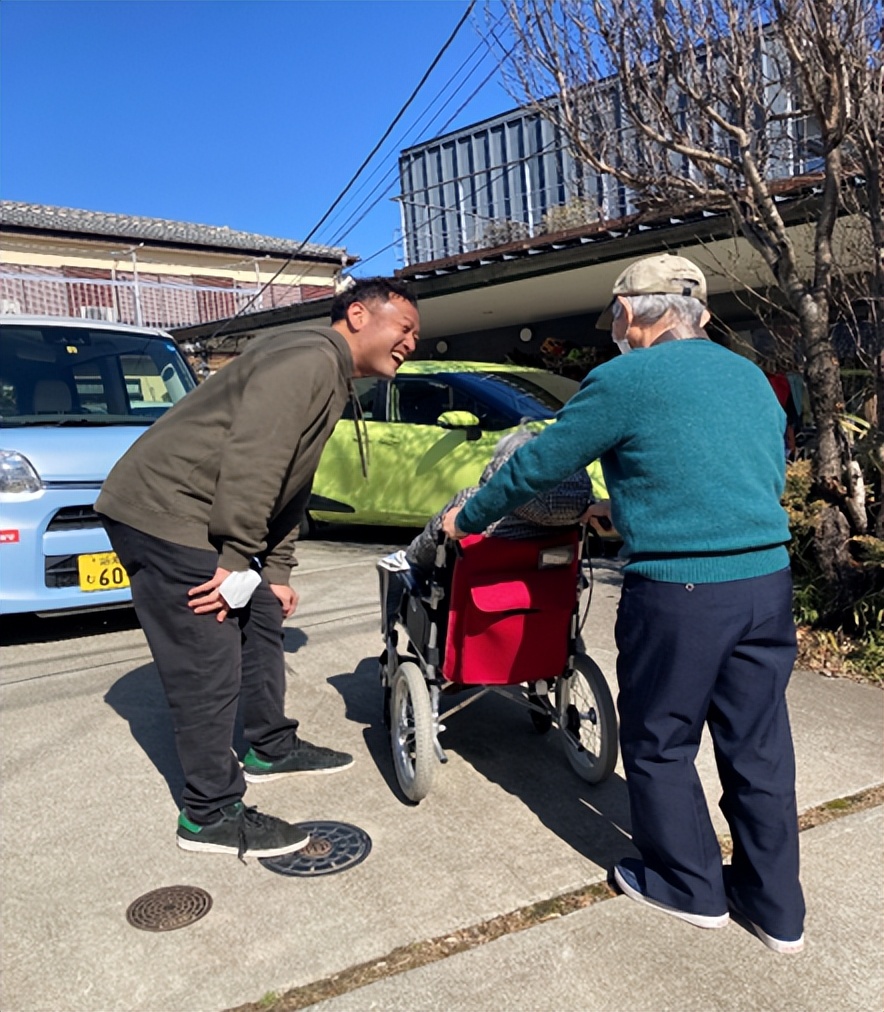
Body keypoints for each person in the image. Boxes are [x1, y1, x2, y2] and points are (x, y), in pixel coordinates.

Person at [442, 253, 805, 954]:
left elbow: (539, 466)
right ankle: (777, 910)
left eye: (614, 313)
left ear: (638, 310)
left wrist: (473, 515)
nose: (613, 327)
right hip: (766, 581)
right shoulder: (752, 379)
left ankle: (689, 886)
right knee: (758, 748)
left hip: (682, 593)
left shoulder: (623, 378)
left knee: (660, 741)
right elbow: (743, 471)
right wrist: (626, 508)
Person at [96, 277, 419, 859]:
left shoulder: (328, 372)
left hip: (201, 512)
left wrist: (275, 572)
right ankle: (210, 813)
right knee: (208, 657)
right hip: (169, 513)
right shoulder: (308, 360)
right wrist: (234, 557)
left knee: (262, 613)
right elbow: (256, 459)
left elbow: (291, 482)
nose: (411, 343)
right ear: (357, 316)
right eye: (405, 328)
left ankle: (268, 745)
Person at [380, 428, 597, 632]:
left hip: (482, 607)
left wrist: (412, 561)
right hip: (546, 608)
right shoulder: (580, 512)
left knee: (411, 567)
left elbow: (430, 542)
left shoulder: (471, 505)